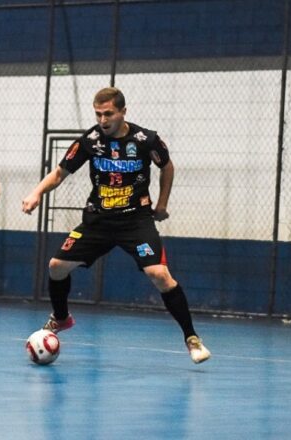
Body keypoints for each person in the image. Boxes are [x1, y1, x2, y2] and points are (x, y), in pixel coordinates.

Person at [21, 87, 210, 364]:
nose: (103, 120)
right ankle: (61, 318)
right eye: (98, 114)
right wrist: (36, 192)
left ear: (123, 112)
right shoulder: (90, 140)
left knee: (159, 274)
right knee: (56, 267)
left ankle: (192, 339)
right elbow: (60, 172)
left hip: (136, 221)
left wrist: (162, 204)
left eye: (108, 114)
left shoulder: (147, 140)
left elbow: (167, 167)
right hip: (98, 220)